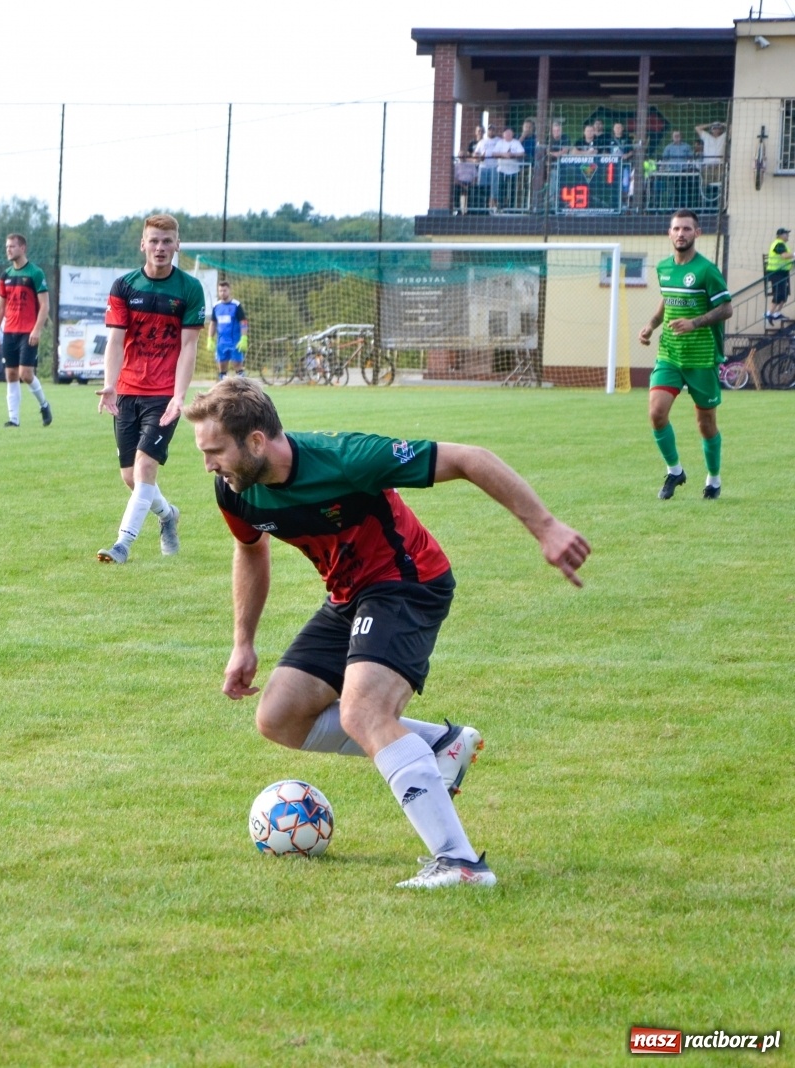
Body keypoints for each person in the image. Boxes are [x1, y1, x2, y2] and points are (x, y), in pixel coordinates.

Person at [185, 377, 590, 888]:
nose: (208, 465)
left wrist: (547, 528)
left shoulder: (349, 458)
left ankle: (460, 863)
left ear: (257, 441)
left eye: (215, 450)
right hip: (347, 596)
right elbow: (250, 550)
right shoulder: (235, 491)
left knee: (363, 712)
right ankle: (441, 745)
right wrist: (243, 641)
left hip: (407, 582)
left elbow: (470, 458)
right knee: (278, 716)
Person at [94, 214, 205, 564]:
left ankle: (122, 545)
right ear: (143, 244)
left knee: (144, 469)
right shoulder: (124, 287)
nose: (160, 247)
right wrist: (110, 385)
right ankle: (168, 514)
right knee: (131, 478)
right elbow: (115, 340)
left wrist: (178, 395)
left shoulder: (189, 289)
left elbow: (189, 347)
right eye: (154, 241)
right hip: (127, 392)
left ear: (177, 245)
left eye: (167, 241)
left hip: (163, 396)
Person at [639, 210, 732, 500]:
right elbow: (668, 299)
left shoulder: (706, 270)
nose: (681, 233)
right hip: (670, 354)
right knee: (656, 413)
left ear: (697, 233)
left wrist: (695, 323)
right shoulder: (664, 268)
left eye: (687, 229)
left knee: (706, 424)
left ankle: (713, 480)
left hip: (702, 358)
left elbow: (726, 309)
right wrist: (652, 325)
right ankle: (674, 471)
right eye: (676, 228)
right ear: (669, 233)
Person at [0, 233, 52, 427]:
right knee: (11, 375)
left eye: (12, 246)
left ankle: (44, 405)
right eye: (7, 246)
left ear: (23, 248)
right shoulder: (6, 275)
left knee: (26, 374)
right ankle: (13, 419)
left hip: (28, 332)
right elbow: (0, 307)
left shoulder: (35, 273)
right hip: (10, 332)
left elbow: (44, 306)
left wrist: (37, 330)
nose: (8, 250)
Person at [208, 280, 248, 381]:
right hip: (221, 343)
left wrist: (244, 338)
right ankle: (223, 391)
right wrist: (210, 338)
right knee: (222, 367)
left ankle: (243, 390)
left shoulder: (236, 305)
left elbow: (243, 322)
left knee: (238, 366)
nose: (222, 293)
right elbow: (213, 323)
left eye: (224, 290)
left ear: (229, 290)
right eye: (220, 291)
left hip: (235, 342)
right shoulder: (216, 306)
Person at [765, 226, 791, 323]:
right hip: (776, 272)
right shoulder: (778, 244)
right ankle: (769, 314)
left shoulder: (783, 244)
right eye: (786, 234)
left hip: (783, 272)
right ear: (781, 235)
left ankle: (777, 313)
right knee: (778, 293)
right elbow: (784, 256)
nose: (788, 235)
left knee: (784, 294)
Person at [695, 121, 728, 185]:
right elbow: (697, 128)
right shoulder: (706, 136)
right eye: (714, 128)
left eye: (718, 128)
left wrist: (721, 124)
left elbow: (733, 128)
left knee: (721, 184)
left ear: (721, 129)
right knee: (707, 184)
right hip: (708, 166)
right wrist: (710, 124)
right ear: (711, 130)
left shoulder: (724, 136)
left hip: (720, 165)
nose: (716, 130)